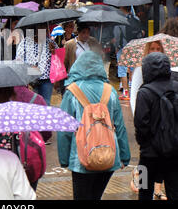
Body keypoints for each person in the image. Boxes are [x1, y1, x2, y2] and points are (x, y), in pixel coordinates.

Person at [57, 51, 131, 200]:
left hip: (80, 159)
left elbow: (64, 129)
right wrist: (125, 156)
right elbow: (120, 126)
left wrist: (64, 160)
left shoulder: (72, 92)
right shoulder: (110, 91)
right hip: (109, 156)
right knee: (96, 195)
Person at [134, 52, 178, 200]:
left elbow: (140, 124)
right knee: (174, 190)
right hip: (174, 151)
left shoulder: (144, 92)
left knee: (144, 190)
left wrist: (145, 143)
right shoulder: (176, 87)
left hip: (148, 154)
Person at [129, 40, 167, 200]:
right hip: (148, 136)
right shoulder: (140, 70)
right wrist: (142, 134)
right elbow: (134, 99)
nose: (156, 51)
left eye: (158, 48)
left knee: (162, 166)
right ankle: (138, 178)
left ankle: (157, 189)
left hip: (164, 133)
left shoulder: (168, 73)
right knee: (145, 179)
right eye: (152, 48)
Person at [16, 23, 58, 106]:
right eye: (41, 27)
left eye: (46, 27)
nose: (44, 29)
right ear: (36, 28)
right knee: (32, 103)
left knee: (46, 103)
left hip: (46, 79)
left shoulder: (50, 42)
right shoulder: (26, 42)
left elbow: (58, 60)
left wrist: (53, 51)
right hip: (31, 79)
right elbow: (19, 59)